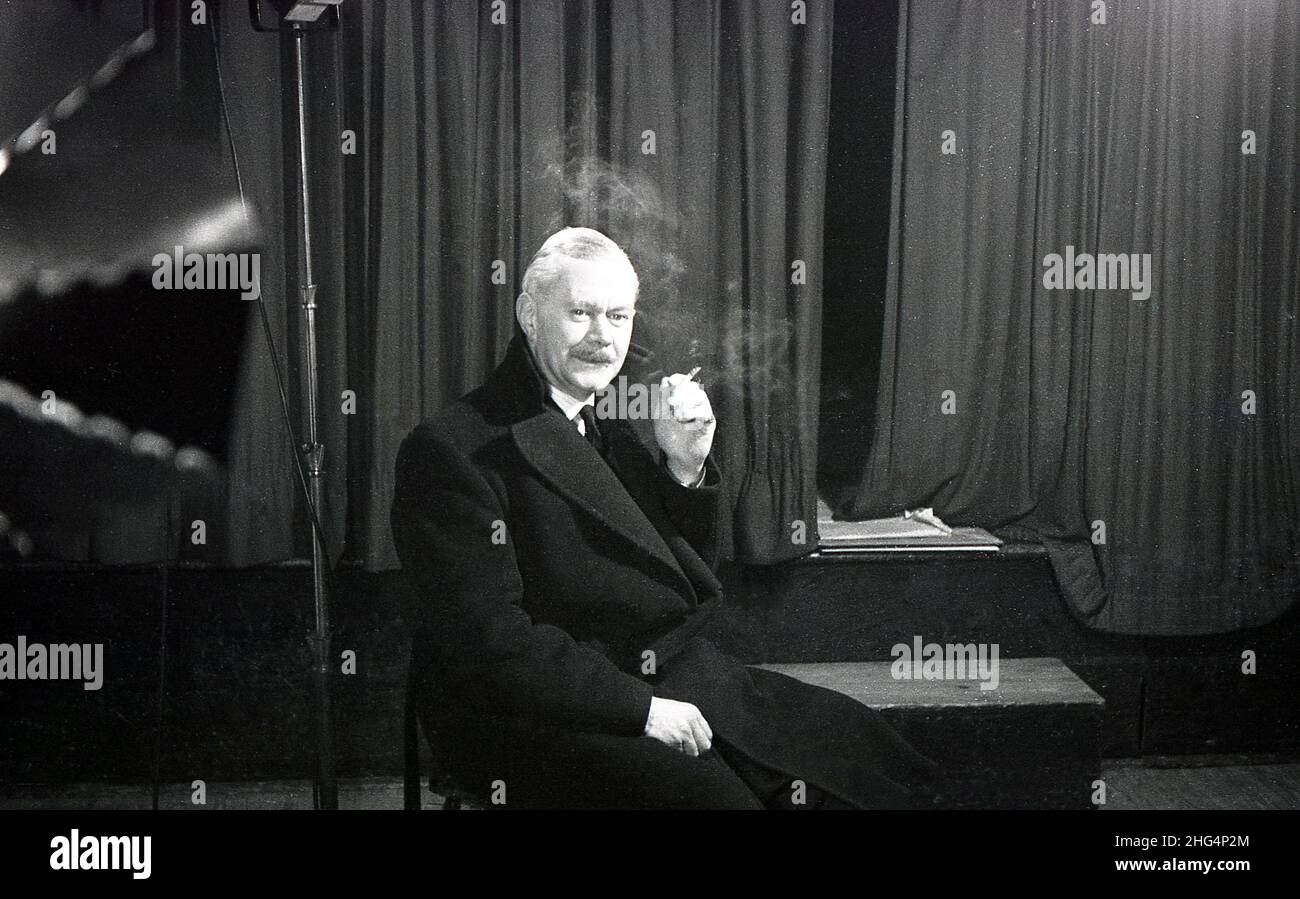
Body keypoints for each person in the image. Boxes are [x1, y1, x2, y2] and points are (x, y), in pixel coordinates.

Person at [391, 227, 940, 809]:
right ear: (529, 314)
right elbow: (488, 644)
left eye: (619, 316)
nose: (602, 337)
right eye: (580, 312)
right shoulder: (454, 448)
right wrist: (643, 711)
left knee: (857, 751)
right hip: (534, 712)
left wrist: (686, 465)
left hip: (650, 673)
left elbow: (684, 585)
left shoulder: (599, 426)